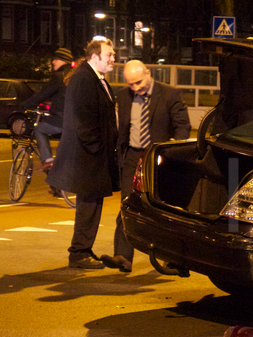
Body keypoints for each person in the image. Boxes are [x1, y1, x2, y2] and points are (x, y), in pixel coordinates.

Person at [102, 60, 190, 273]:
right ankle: (123, 256)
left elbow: (182, 127)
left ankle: (174, 258)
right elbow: (122, 129)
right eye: (131, 84)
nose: (136, 87)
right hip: (132, 156)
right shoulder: (123, 96)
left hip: (158, 157)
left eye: (139, 82)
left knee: (165, 208)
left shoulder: (169, 94)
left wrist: (173, 155)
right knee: (127, 203)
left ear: (148, 73)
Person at [47, 38, 119, 270]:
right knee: (88, 206)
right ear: (94, 57)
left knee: (91, 206)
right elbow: (83, 121)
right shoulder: (84, 78)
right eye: (109, 54)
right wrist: (98, 149)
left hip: (92, 156)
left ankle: (83, 250)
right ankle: (79, 253)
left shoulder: (94, 78)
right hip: (89, 158)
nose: (113, 58)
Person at [18, 48, 73, 186]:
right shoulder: (73, 76)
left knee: (39, 129)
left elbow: (42, 94)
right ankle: (57, 187)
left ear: (63, 61)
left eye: (56, 59)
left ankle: (48, 160)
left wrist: (24, 105)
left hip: (62, 120)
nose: (53, 62)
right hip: (73, 121)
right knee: (62, 154)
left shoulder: (58, 77)